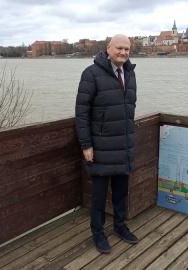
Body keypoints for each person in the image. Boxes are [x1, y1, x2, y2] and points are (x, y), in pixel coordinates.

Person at [75, 34, 138, 253]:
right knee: (99, 197)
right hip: (100, 147)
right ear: (108, 48)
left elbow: (129, 110)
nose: (123, 53)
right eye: (119, 48)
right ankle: (98, 233)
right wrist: (86, 145)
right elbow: (81, 113)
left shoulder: (130, 73)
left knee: (121, 192)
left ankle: (120, 227)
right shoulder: (91, 74)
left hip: (123, 146)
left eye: (127, 49)